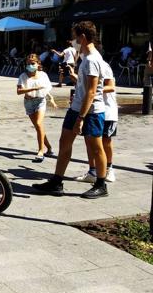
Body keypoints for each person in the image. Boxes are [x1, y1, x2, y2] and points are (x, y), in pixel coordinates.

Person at [32, 21, 108, 199]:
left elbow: (92, 91)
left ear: (82, 37)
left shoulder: (92, 59)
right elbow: (85, 86)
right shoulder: (85, 57)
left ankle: (101, 184)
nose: (72, 40)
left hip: (91, 111)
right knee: (64, 142)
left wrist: (81, 117)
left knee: (96, 148)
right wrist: (75, 78)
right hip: (76, 108)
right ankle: (56, 182)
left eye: (74, 36)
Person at [73, 57, 118, 183]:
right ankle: (92, 171)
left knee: (106, 141)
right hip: (91, 110)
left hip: (107, 110)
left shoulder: (102, 65)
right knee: (90, 141)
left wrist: (93, 91)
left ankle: (109, 169)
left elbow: (111, 87)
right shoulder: (85, 64)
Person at [17, 54, 56, 162]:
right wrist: (32, 89)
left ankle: (40, 151)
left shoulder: (43, 75)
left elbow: (45, 89)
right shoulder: (23, 76)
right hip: (28, 102)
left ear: (38, 64)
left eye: (32, 63)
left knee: (39, 124)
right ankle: (49, 147)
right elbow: (19, 91)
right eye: (28, 63)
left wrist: (51, 99)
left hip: (40, 101)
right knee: (39, 127)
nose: (30, 65)